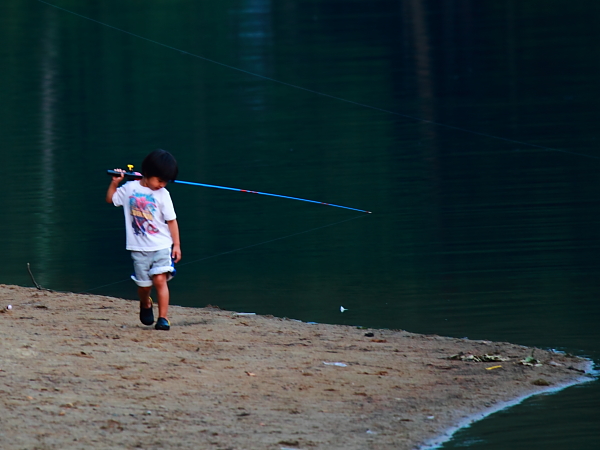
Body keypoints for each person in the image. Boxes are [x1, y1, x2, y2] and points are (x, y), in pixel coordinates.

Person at [106, 149, 181, 330]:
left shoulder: (164, 195)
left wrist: (176, 244)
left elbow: (172, 221)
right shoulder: (130, 188)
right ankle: (145, 303)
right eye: (159, 180)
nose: (162, 185)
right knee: (144, 287)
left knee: (160, 280)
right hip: (138, 248)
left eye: (166, 181)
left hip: (162, 245)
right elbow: (111, 199)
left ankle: (163, 318)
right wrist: (115, 183)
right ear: (147, 173)